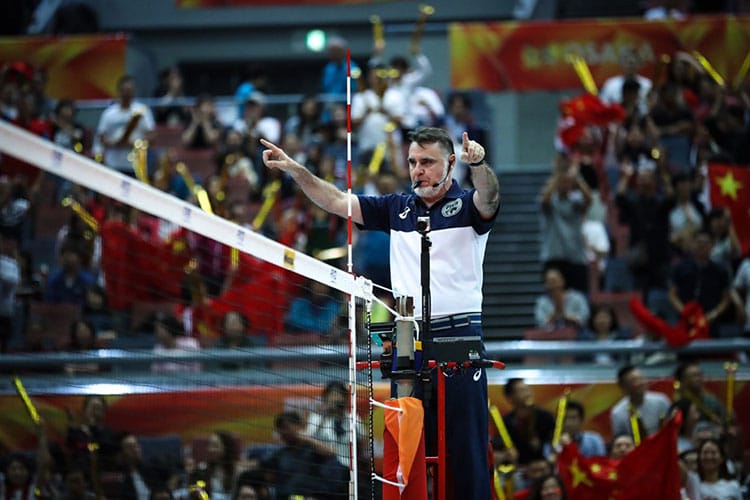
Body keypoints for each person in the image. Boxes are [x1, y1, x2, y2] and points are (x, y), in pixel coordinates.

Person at [261, 126, 499, 500]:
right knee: (405, 449)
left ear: (451, 163)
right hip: (408, 339)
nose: (417, 170)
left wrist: (480, 164)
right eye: (412, 162)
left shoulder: (470, 205)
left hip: (459, 335)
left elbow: (491, 195)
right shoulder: (396, 207)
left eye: (427, 163)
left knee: (465, 450)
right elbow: (337, 200)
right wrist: (295, 169)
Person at [92, 74, 155, 175]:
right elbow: (101, 137)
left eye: (130, 90)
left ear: (134, 91)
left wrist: (136, 144)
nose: (127, 93)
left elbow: (152, 136)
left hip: (136, 165)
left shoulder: (142, 111)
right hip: (113, 164)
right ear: (119, 90)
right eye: (124, 90)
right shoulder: (109, 113)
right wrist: (114, 143)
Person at [502, 378, 555, 466]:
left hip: (544, 465)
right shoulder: (506, 422)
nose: (528, 393)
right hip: (520, 468)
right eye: (522, 390)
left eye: (528, 389)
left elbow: (554, 440)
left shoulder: (545, 416)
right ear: (510, 397)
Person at [610, 365, 671, 439]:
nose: (641, 383)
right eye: (635, 381)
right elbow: (622, 440)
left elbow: (671, 428)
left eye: (641, 378)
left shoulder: (661, 401)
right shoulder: (618, 413)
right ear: (624, 387)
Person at [673, 360, 725, 425]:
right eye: (694, 376)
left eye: (700, 375)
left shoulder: (712, 401)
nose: (699, 378)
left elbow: (725, 421)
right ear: (683, 380)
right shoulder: (678, 403)